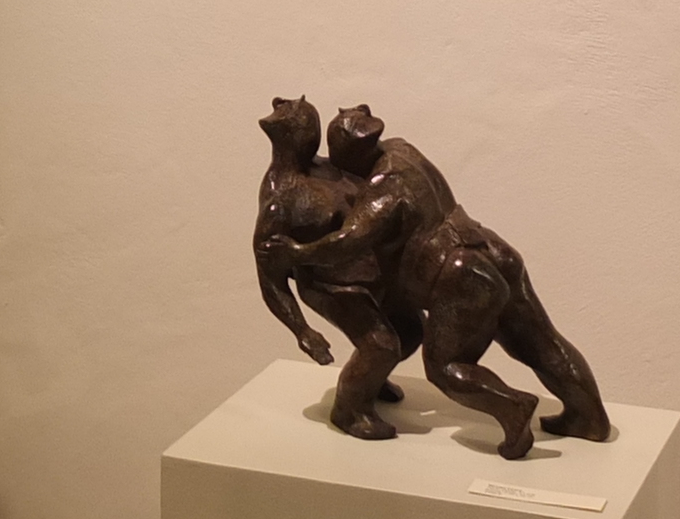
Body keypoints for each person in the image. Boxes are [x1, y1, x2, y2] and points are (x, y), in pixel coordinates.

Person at [268, 105, 610, 457]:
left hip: (458, 273)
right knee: (540, 341)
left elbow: (348, 240)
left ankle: (511, 408)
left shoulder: (385, 186)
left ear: (355, 152)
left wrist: (297, 252)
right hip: (490, 248)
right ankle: (589, 417)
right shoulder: (402, 149)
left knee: (446, 367)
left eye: (342, 160)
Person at [253, 97, 413, 439]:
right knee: (382, 345)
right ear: (288, 137)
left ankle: (370, 379)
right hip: (332, 285)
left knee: (411, 329)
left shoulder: (328, 168)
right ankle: (349, 411)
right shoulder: (280, 200)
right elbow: (270, 276)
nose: (315, 134)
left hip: (372, 273)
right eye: (307, 127)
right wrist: (302, 331)